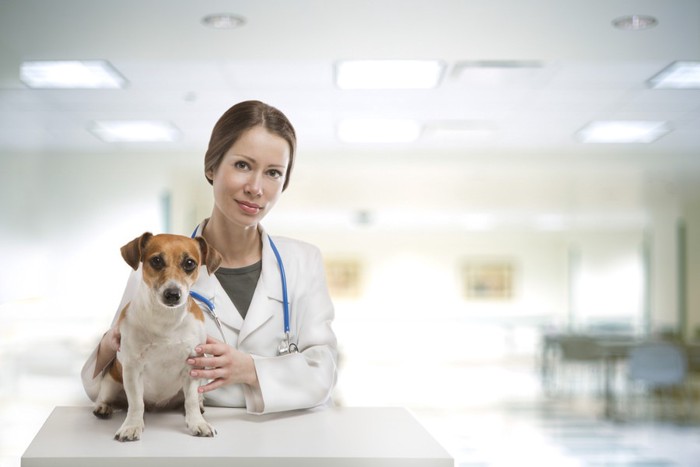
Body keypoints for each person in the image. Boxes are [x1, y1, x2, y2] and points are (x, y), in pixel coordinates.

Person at [81, 100, 338, 414]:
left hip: (285, 440)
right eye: (242, 165)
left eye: (273, 173)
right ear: (212, 166)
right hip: (192, 442)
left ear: (284, 183)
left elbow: (323, 372)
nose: (256, 187)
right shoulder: (153, 269)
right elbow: (110, 377)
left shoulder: (303, 261)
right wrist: (112, 345)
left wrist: (249, 369)